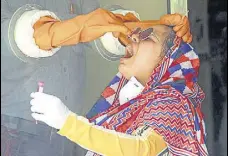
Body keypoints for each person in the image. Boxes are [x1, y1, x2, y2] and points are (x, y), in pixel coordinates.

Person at [30, 25, 209, 156]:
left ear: (169, 61)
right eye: (137, 32)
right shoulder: (130, 103)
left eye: (149, 36)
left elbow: (144, 151)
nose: (135, 37)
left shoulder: (173, 102)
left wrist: (68, 123)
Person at [1, 0, 99, 155]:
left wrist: (112, 33)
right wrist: (31, 31)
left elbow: (94, 25)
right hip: (22, 126)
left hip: (71, 123)